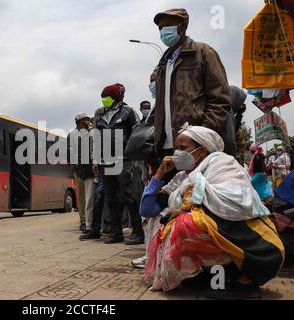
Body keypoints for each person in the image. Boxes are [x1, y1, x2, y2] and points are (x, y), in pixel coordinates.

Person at [139, 125, 284, 299]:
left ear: (202, 150)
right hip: (216, 230)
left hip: (249, 240)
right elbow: (147, 209)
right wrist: (159, 173)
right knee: (163, 220)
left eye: (183, 148)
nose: (177, 153)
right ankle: (213, 274)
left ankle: (243, 281)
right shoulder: (182, 178)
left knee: (185, 223)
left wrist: (186, 208)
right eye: (176, 148)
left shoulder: (223, 164)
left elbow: (235, 202)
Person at [152, 8, 231, 165]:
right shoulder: (163, 64)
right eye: (160, 28)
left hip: (196, 148)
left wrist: (201, 137)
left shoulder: (203, 53)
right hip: (167, 148)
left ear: (183, 26)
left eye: (168, 25)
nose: (163, 31)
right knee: (173, 190)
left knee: (197, 189)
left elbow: (220, 100)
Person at [91, 83, 144, 245]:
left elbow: (137, 135)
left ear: (114, 97)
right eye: (102, 97)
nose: (103, 100)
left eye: (106, 97)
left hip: (125, 160)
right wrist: (95, 159)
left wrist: (135, 158)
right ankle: (115, 233)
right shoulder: (100, 115)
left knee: (129, 196)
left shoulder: (129, 113)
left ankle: (137, 232)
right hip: (106, 162)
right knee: (111, 198)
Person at [68, 113, 95, 233]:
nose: (88, 121)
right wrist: (77, 168)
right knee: (81, 198)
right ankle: (83, 221)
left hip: (89, 171)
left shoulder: (90, 132)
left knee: (90, 197)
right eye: (85, 120)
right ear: (79, 122)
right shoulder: (72, 135)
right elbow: (70, 153)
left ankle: (91, 220)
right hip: (79, 171)